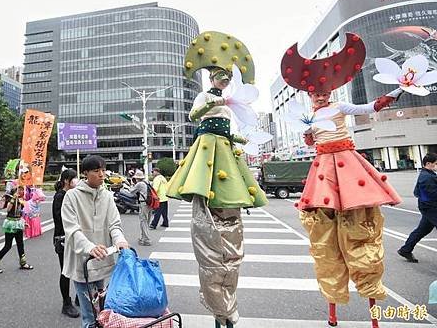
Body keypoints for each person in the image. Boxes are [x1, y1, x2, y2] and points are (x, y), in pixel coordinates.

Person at [280, 32, 403, 327]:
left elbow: (368, 108)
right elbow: (311, 143)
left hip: (347, 165)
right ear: (310, 95)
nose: (320, 96)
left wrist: (398, 90)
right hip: (324, 170)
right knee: (325, 242)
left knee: (361, 233)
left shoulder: (339, 108)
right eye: (316, 93)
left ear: (331, 92)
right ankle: (333, 312)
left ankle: (373, 311)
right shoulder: (307, 117)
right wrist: (309, 134)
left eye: (324, 92)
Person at [167, 31, 267, 328]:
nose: (224, 81)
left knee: (229, 201)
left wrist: (242, 138)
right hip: (208, 148)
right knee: (210, 201)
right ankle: (219, 307)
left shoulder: (231, 102)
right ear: (212, 78)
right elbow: (193, 115)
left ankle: (223, 306)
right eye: (221, 77)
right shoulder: (207, 95)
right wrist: (216, 100)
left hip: (224, 150)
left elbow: (227, 129)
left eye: (227, 78)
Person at [61, 155, 129, 328]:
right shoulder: (71, 197)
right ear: (85, 173)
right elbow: (72, 229)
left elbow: (114, 224)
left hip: (101, 259)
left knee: (102, 311)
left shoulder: (107, 196)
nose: (102, 174)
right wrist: (89, 247)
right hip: (82, 262)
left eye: (103, 170)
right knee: (90, 315)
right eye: (96, 171)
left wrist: (120, 240)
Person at [398, 152, 437, 263]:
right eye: (436, 163)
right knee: (421, 230)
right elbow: (432, 194)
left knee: (422, 230)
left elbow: (416, 192)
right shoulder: (427, 177)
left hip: (428, 207)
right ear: (428, 163)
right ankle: (405, 249)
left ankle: (405, 249)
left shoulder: (427, 175)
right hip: (431, 208)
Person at [52, 169, 80, 318]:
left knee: (77, 268)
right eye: (73, 178)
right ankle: (66, 303)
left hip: (73, 237)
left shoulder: (71, 195)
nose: (76, 180)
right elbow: (61, 219)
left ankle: (79, 297)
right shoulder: (60, 196)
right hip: (63, 239)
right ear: (66, 181)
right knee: (66, 271)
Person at [0, 185, 34, 274]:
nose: (21, 192)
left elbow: (19, 213)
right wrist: (13, 199)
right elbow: (8, 209)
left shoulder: (20, 201)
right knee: (8, 245)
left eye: (21, 190)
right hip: (10, 224)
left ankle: (23, 263)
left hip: (18, 223)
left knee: (20, 244)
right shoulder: (11, 199)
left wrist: (23, 222)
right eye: (19, 190)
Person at [130, 170, 151, 246]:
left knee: (143, 222)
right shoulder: (147, 182)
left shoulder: (139, 184)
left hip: (144, 204)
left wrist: (132, 184)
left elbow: (131, 191)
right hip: (149, 203)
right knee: (146, 222)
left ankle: (147, 240)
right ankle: (143, 238)